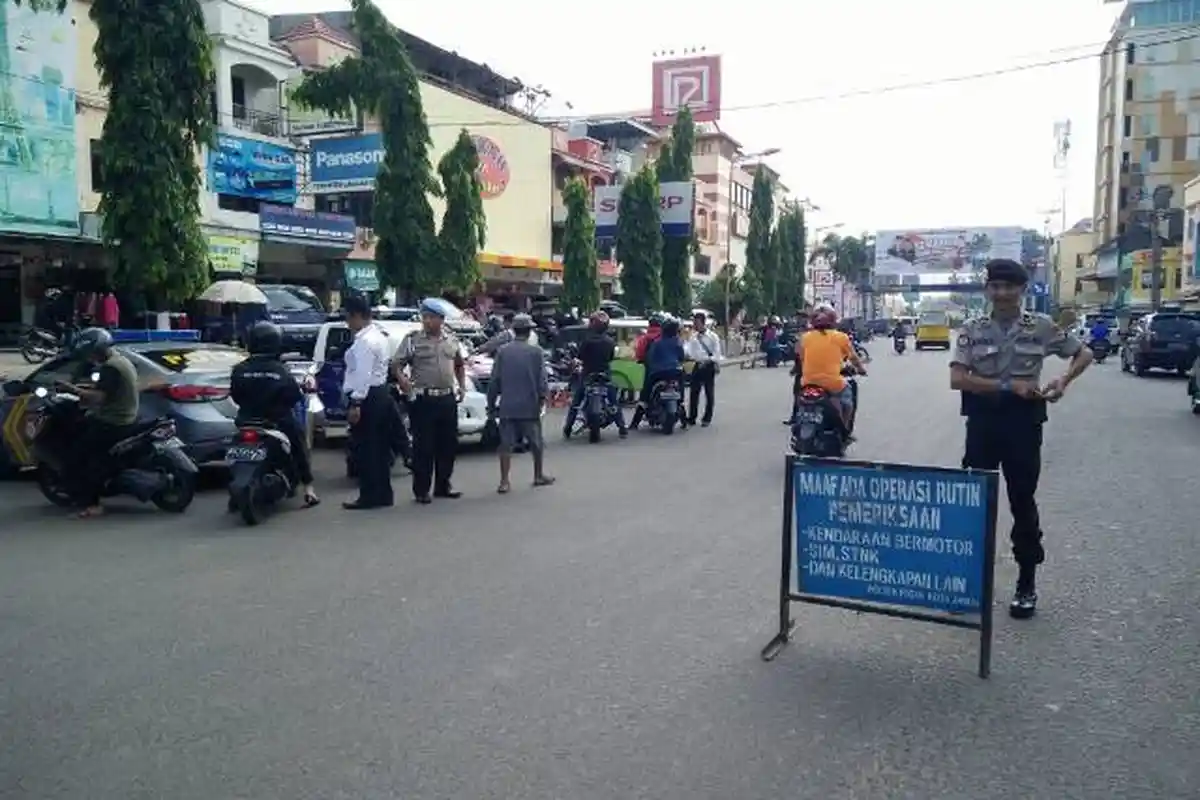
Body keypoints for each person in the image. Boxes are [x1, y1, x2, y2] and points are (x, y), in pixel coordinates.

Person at [950, 258, 1093, 620]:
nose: (1001, 293)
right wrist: (1006, 385)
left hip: (1023, 425)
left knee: (1022, 502)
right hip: (983, 423)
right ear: (987, 290)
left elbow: (1084, 353)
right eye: (995, 286)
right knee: (973, 504)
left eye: (1009, 287)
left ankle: (1026, 584)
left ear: (1022, 290)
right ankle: (967, 584)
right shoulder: (972, 329)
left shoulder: (1041, 327)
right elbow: (958, 379)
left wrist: (1063, 380)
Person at [229, 321, 319, 508]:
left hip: (245, 420)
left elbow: (236, 396)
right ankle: (309, 489)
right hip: (276, 421)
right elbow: (294, 397)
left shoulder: (239, 369)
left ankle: (234, 496)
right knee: (298, 443)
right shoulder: (280, 370)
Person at [52, 328, 139, 519]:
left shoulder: (110, 368)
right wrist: (82, 387)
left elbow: (98, 397)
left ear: (97, 350)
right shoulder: (121, 360)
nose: (90, 358)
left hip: (113, 421)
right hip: (127, 418)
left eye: (90, 353)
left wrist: (72, 390)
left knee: (79, 457)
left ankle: (91, 504)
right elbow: (108, 389)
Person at [393, 298, 466, 504]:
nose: (427, 321)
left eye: (431, 317)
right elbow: (397, 365)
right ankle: (421, 490)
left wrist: (462, 386)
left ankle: (443, 485)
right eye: (424, 317)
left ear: (441, 319)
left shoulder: (451, 339)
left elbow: (459, 364)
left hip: (447, 397)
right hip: (424, 399)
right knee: (423, 447)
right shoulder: (413, 340)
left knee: (448, 445)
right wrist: (403, 381)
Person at [487, 313, 554, 493]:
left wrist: (491, 405)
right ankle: (538, 475)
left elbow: (494, 381)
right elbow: (542, 380)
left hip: (508, 405)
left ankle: (504, 481)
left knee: (506, 445)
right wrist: (542, 399)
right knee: (536, 443)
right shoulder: (536, 352)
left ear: (514, 330)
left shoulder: (503, 352)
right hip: (529, 406)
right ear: (529, 331)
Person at [340, 295, 394, 510]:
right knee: (380, 448)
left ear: (357, 316)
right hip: (380, 394)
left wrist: (356, 403)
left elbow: (362, 374)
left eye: (348, 317)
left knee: (365, 449)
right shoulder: (379, 336)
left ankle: (369, 495)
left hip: (367, 397)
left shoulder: (364, 342)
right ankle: (383, 493)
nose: (347, 323)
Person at [795, 305, 866, 431]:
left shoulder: (805, 338)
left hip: (808, 382)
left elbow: (801, 357)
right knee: (847, 402)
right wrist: (861, 369)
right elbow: (854, 358)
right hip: (833, 383)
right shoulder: (841, 337)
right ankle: (844, 429)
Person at [562, 311, 628, 438]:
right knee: (613, 401)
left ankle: (568, 428)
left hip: (588, 375)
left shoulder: (587, 341)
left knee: (576, 402)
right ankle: (622, 427)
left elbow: (580, 357)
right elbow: (610, 358)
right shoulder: (610, 342)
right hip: (604, 375)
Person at [631, 317, 686, 429]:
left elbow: (650, 357)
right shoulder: (678, 342)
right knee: (680, 394)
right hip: (676, 372)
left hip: (657, 373)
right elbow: (682, 357)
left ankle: (634, 424)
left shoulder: (657, 343)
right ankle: (684, 422)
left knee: (644, 396)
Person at [685, 310, 722, 427]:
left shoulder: (713, 337)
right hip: (697, 365)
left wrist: (709, 361)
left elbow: (717, 354)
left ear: (703, 323)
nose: (695, 325)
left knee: (709, 392)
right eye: (694, 323)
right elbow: (688, 351)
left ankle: (707, 418)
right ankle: (692, 417)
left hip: (708, 365)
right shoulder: (693, 337)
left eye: (697, 323)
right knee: (694, 392)